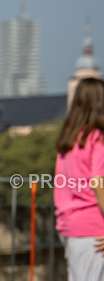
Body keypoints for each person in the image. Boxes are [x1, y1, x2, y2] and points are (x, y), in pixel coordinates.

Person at [54, 78, 104, 280]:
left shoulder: (69, 140)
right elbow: (98, 183)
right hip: (94, 228)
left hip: (69, 226)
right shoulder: (98, 139)